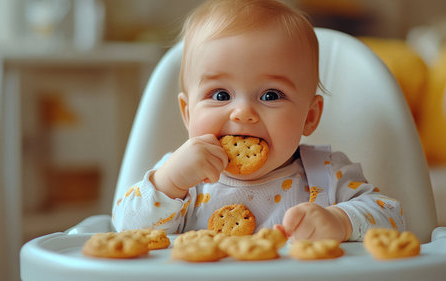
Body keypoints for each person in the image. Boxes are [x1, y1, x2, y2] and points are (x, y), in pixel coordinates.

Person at [112, 0, 405, 242]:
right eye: (221, 94)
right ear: (188, 113)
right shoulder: (182, 179)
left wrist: (340, 221)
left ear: (310, 116)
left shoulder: (327, 175)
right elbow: (125, 228)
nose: (243, 112)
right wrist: (168, 183)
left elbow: (393, 216)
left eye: (270, 95)